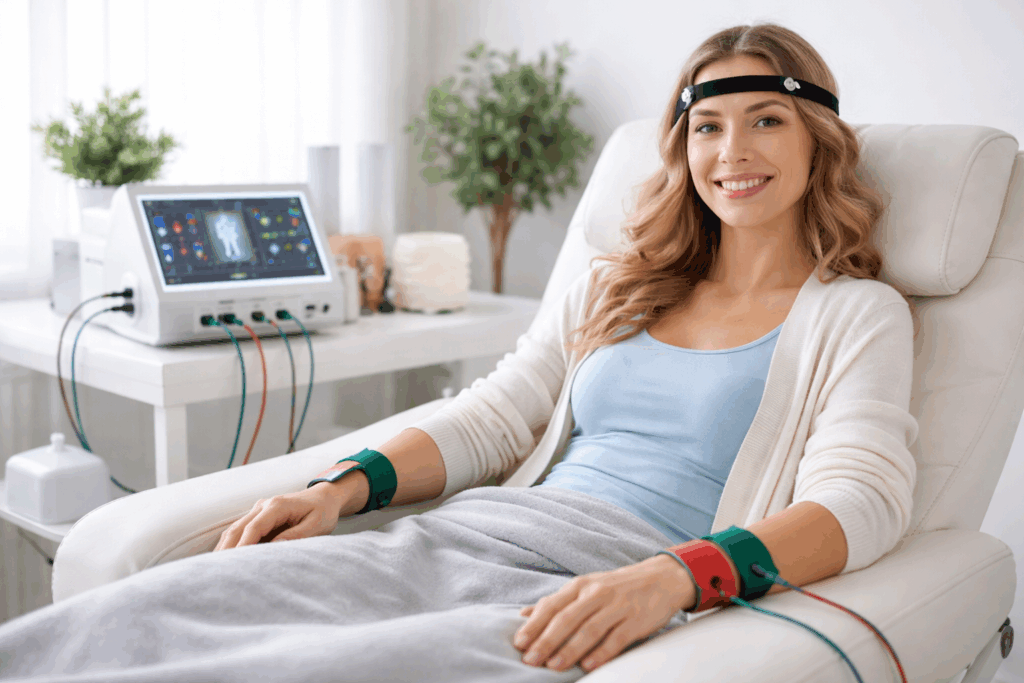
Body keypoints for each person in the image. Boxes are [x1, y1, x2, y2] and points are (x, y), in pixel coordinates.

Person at [0, 22, 919, 682]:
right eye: (709, 126)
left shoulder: (855, 314)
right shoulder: (619, 284)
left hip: (614, 581)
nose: (732, 151)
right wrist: (340, 486)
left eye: (767, 119)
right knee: (138, 614)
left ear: (818, 141)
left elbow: (860, 500)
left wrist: (677, 575)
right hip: (467, 535)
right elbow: (497, 411)